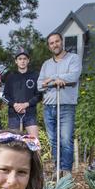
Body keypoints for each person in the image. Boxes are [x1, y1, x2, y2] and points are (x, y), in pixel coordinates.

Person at [37, 32, 82, 176]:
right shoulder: (46, 64)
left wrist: (51, 79)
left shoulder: (73, 59)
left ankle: (66, 170)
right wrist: (54, 81)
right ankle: (57, 169)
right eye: (51, 43)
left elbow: (73, 76)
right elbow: (39, 85)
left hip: (66, 105)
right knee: (53, 141)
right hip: (49, 106)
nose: (55, 45)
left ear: (61, 42)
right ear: (49, 46)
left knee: (66, 139)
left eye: (57, 41)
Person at [4, 48, 41, 137]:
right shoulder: (10, 76)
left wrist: (26, 104)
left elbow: (39, 95)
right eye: (20, 59)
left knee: (35, 142)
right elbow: (4, 96)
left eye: (25, 59)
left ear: (28, 60)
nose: (22, 61)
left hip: (30, 113)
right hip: (14, 114)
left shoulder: (35, 75)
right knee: (13, 145)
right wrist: (14, 105)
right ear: (16, 61)